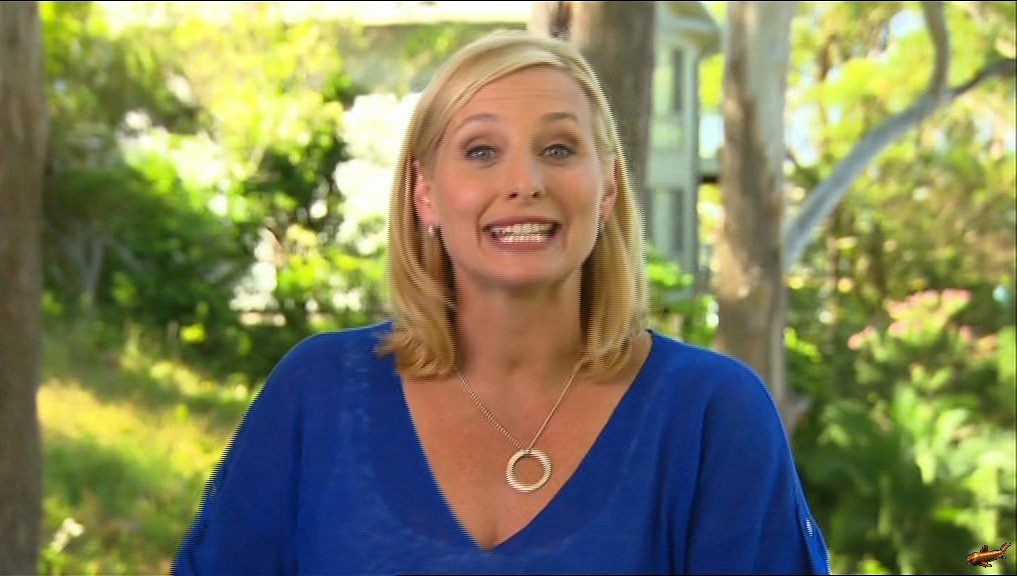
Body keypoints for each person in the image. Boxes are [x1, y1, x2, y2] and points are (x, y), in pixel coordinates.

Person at [173, 30, 829, 575]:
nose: (524, 182)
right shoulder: (315, 394)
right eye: (482, 151)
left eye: (558, 149)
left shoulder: (713, 415)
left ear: (607, 189)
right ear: (425, 193)